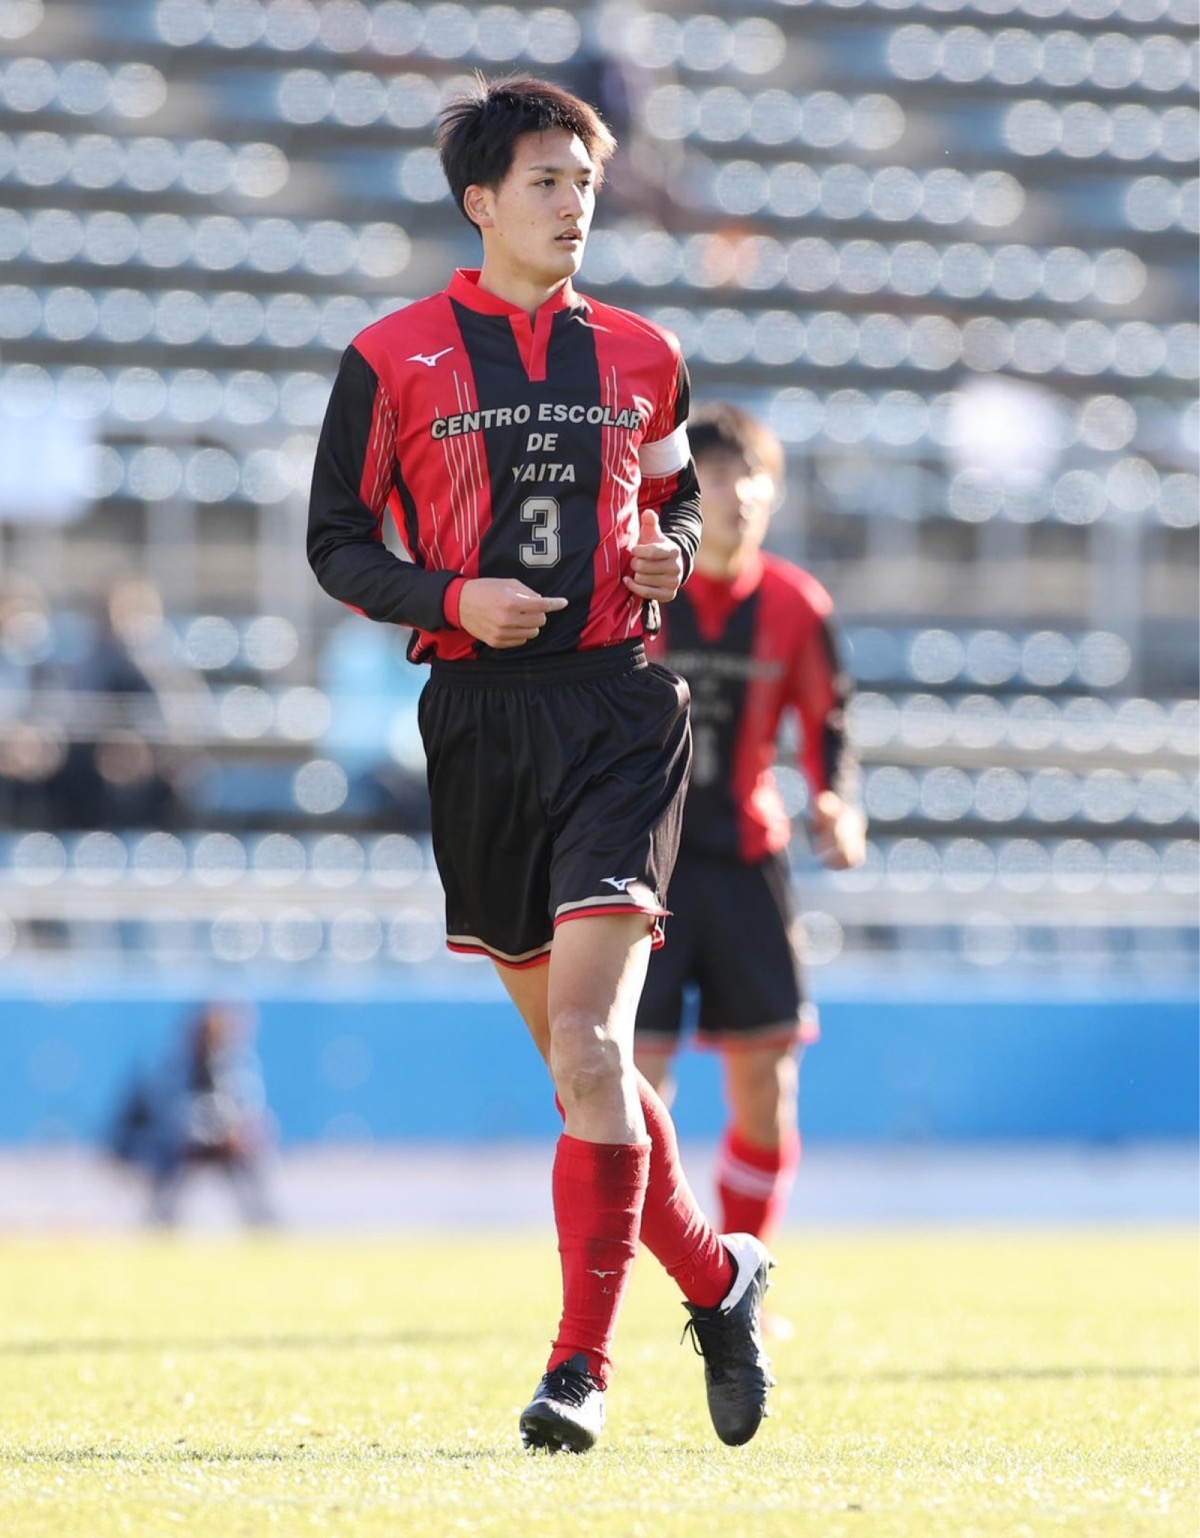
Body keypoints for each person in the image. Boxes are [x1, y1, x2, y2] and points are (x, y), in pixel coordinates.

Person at [307, 75, 774, 1454]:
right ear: (481, 203)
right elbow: (336, 544)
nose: (576, 204)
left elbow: (680, 497)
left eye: (586, 181)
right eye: (548, 182)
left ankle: (580, 1367)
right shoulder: (390, 357)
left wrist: (669, 553)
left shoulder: (641, 352)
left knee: (592, 1044)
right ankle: (721, 1272)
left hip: (622, 712)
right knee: (590, 1076)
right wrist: (452, 600)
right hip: (478, 727)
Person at [634, 403, 867, 1277]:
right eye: (718, 478)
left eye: (751, 477)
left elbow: (829, 725)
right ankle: (671, 1272)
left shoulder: (797, 607)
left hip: (747, 862)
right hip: (646, 864)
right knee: (634, 1094)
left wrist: (838, 801)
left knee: (767, 1087)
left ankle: (747, 1282)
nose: (739, 495)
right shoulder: (640, 590)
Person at [109, 1002, 276, 1228]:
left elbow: (249, 1106)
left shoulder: (236, 1064)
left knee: (246, 1156)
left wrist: (231, 1132)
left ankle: (263, 1224)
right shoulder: (174, 1065)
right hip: (179, 1142)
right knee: (171, 1157)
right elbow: (166, 1110)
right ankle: (160, 1223)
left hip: (226, 1143)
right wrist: (201, 1132)